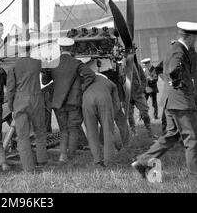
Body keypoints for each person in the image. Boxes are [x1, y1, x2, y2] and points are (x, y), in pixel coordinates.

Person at [132, 22, 197, 177]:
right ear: (189, 37)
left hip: (171, 101)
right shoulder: (179, 51)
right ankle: (195, 176)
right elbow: (175, 69)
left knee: (172, 135)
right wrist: (182, 84)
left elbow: (164, 69)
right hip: (181, 102)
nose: (195, 41)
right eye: (195, 38)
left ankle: (142, 162)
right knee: (192, 139)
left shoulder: (175, 49)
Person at [41, 37, 95, 163]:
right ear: (71, 48)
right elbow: (90, 75)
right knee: (73, 129)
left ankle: (63, 155)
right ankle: (71, 156)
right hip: (74, 101)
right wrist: (81, 88)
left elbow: (44, 81)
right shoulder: (77, 63)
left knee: (64, 130)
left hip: (58, 102)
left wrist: (45, 71)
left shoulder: (53, 63)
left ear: (60, 48)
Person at [7, 41, 48, 172]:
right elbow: (46, 73)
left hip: (20, 101)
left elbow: (11, 90)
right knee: (40, 132)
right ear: (31, 49)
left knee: (23, 136)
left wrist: (11, 106)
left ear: (19, 49)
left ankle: (28, 168)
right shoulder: (37, 63)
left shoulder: (13, 66)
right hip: (36, 99)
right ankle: (42, 161)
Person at [82, 73, 121, 167]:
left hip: (86, 100)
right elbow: (117, 104)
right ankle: (108, 161)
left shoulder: (86, 82)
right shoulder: (110, 83)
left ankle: (97, 161)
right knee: (108, 131)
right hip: (104, 99)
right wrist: (111, 117)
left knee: (91, 132)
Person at [127, 63, 154, 138]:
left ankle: (149, 132)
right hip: (127, 96)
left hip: (138, 94)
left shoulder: (137, 66)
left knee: (144, 112)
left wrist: (141, 89)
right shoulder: (120, 66)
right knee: (129, 115)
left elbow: (144, 79)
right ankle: (134, 132)